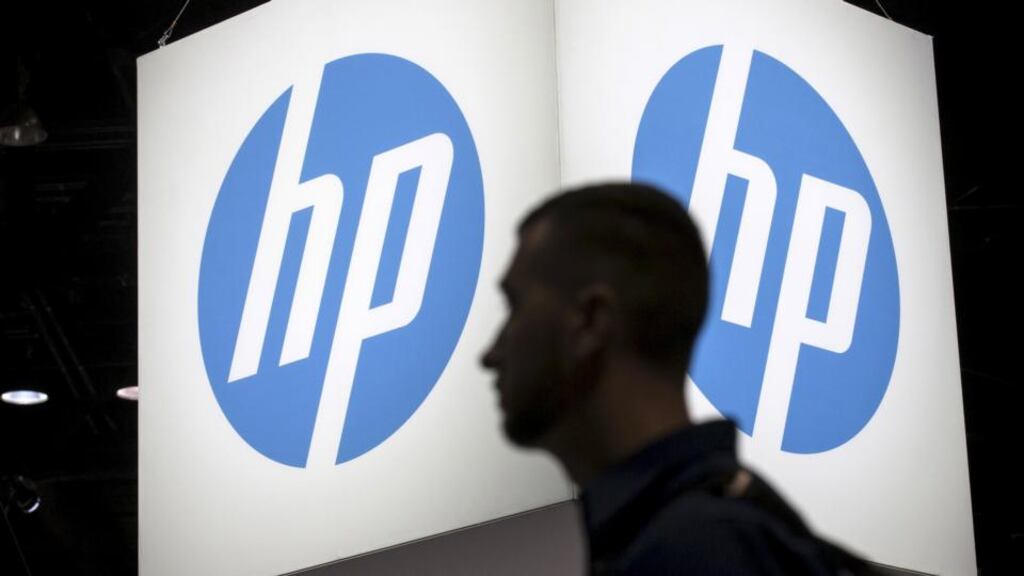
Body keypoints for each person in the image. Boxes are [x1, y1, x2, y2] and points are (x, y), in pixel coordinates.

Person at [481, 182, 873, 575]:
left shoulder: (693, 552)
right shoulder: (713, 526)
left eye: (514, 306)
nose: (490, 355)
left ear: (591, 322)